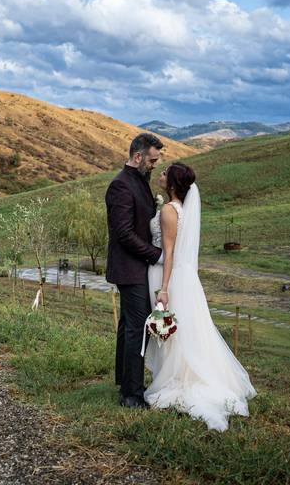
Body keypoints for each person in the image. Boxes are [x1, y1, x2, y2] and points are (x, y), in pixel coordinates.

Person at [144, 162, 256, 430]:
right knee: (181, 332)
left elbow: (169, 253)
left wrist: (164, 289)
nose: (159, 175)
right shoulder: (180, 209)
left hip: (166, 276)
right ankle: (175, 373)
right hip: (180, 276)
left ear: (171, 184)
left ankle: (176, 380)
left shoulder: (170, 211)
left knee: (172, 331)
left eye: (164, 173)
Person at [105, 133, 164, 409]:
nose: (154, 165)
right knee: (136, 329)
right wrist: (157, 255)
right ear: (138, 156)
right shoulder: (120, 186)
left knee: (128, 325)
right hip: (129, 268)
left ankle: (125, 383)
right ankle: (132, 395)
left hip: (137, 267)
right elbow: (124, 233)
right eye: (152, 160)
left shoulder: (139, 181)